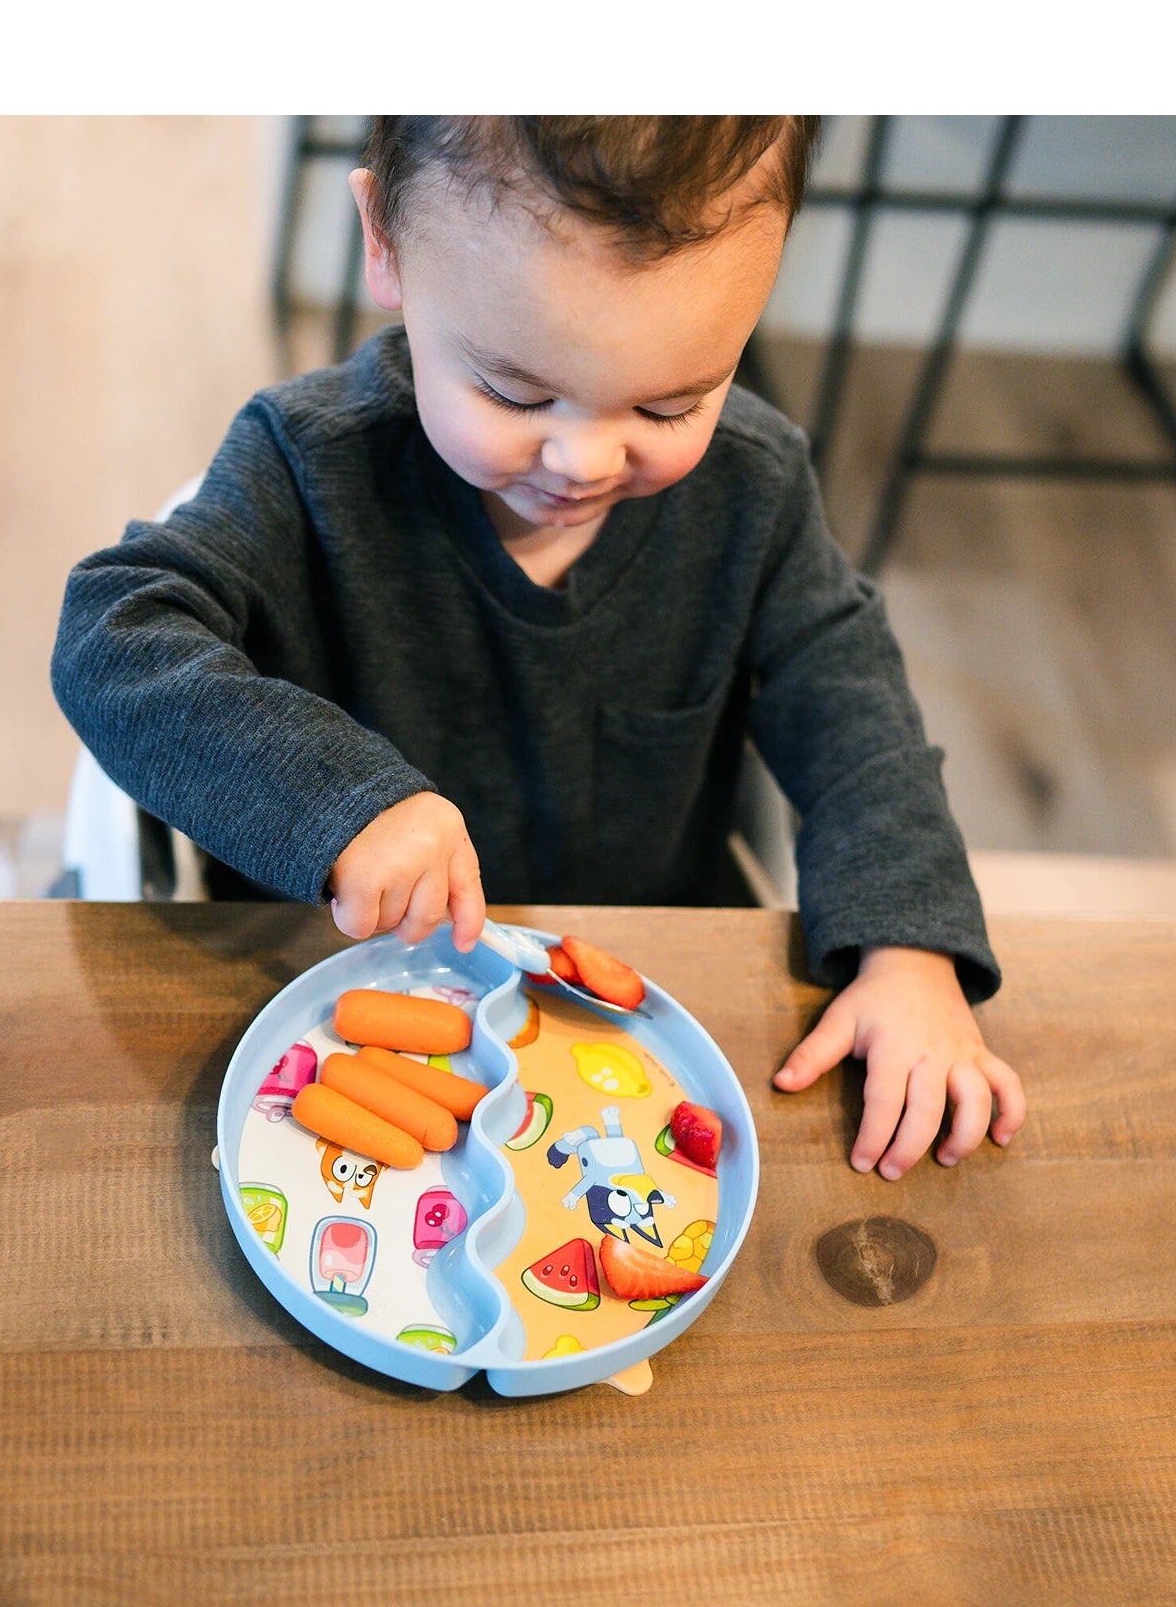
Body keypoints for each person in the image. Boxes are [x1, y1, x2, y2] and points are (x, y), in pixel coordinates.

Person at [52, 115, 1025, 1179]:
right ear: (384, 241)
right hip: (343, 1011)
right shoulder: (308, 466)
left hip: (626, 1018)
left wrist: (908, 948)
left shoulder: (754, 487)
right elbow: (115, 633)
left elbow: (855, 720)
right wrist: (339, 804)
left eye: (671, 401)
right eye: (515, 393)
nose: (585, 457)